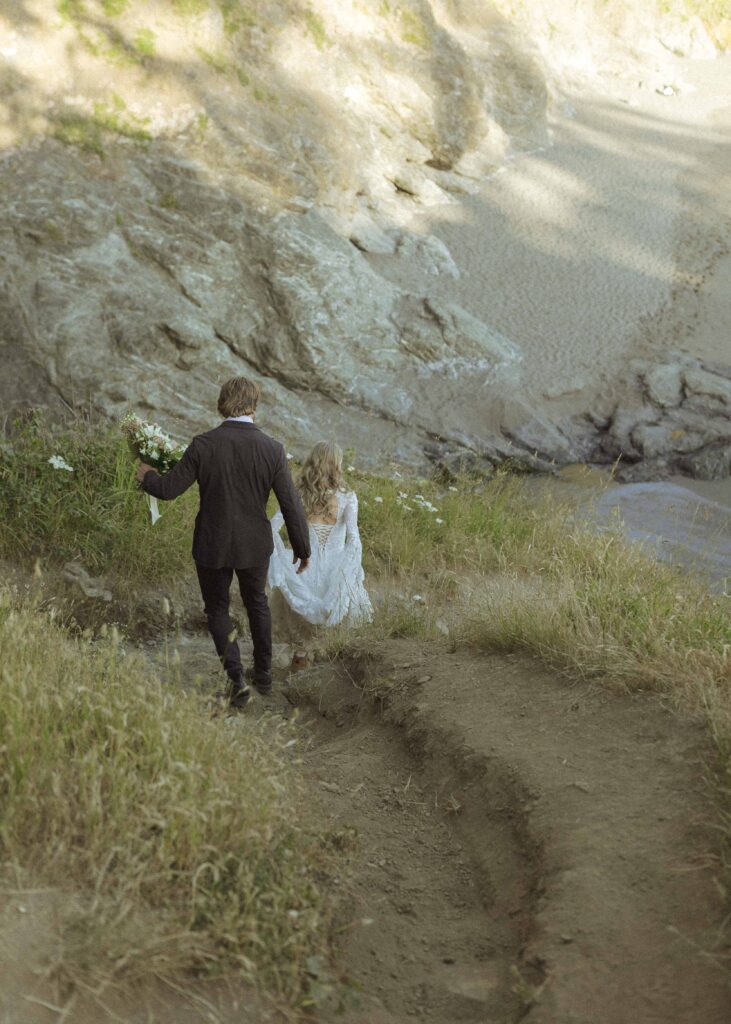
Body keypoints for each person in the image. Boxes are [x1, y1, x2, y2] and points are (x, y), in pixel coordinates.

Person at [135, 377, 310, 708]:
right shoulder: (272, 449)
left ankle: (236, 680)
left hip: (212, 542)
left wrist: (148, 477)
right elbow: (291, 505)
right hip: (254, 544)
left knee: (217, 608)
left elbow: (169, 489)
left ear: (222, 403)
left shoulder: (204, 444)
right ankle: (264, 676)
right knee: (256, 603)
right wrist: (302, 549)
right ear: (254, 406)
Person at [268, 441, 373, 653]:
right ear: (337, 464)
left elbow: (272, 527)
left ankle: (299, 663)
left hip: (302, 569)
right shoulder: (347, 497)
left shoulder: (297, 494)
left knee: (301, 640)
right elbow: (353, 537)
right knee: (332, 639)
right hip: (335, 571)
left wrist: (279, 558)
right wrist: (350, 567)